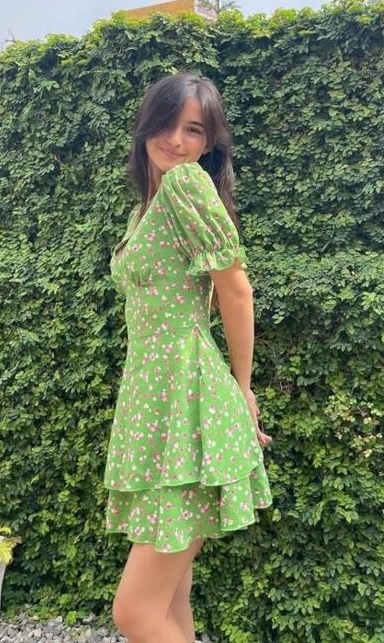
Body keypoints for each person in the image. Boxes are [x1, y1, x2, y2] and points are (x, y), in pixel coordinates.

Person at [103, 72, 274, 643]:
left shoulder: (185, 186)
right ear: (146, 125)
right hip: (155, 406)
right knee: (171, 597)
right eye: (169, 123)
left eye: (194, 129)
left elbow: (236, 290)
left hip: (188, 403)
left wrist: (243, 390)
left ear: (209, 142)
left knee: (134, 612)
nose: (177, 140)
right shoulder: (147, 208)